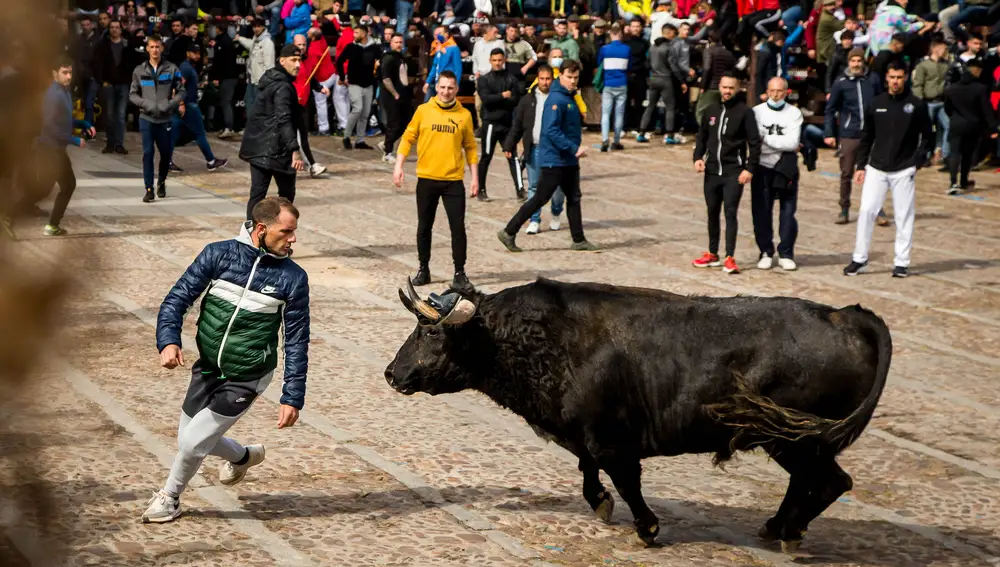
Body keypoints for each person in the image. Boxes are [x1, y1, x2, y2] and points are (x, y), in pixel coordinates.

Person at [143, 196, 310, 524]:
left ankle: (169, 498)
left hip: (248, 374)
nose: (293, 239)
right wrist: (168, 341)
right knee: (189, 439)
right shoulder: (217, 254)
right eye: (286, 231)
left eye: (294, 231)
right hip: (207, 367)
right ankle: (244, 456)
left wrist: (292, 396)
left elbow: (296, 339)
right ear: (261, 229)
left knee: (192, 444)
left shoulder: (293, 278)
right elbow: (177, 299)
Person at [497, 60, 599, 253]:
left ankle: (578, 239)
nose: (573, 81)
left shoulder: (568, 97)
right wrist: (573, 148)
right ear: (560, 76)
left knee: (574, 198)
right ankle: (509, 231)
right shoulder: (556, 100)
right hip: (555, 159)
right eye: (569, 77)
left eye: (575, 77)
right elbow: (551, 130)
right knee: (540, 198)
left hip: (568, 160)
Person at [844, 62, 933, 279]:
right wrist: (860, 166)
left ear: (905, 78)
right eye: (892, 77)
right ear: (886, 78)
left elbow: (929, 136)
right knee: (866, 211)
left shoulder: (916, 105)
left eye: (899, 77)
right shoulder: (877, 103)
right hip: (877, 167)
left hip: (903, 169)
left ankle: (901, 262)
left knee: (904, 216)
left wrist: (917, 161)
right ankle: (860, 258)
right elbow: (867, 137)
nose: (895, 81)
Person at [393, 70, 479, 294]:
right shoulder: (423, 111)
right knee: (424, 226)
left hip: (453, 181)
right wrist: (398, 165)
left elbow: (470, 147)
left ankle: (459, 273)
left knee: (457, 228)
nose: (445, 91)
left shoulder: (464, 115)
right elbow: (408, 137)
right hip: (427, 178)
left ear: (456, 89)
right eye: (442, 87)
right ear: (436, 87)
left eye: (450, 87)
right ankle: (423, 268)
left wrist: (475, 178)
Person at [691, 74, 761, 275]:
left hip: (733, 173)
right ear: (719, 87)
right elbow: (702, 137)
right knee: (712, 212)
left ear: (738, 89)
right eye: (724, 87)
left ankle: (730, 257)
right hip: (712, 172)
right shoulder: (711, 110)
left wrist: (749, 169)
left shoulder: (744, 113)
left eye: (731, 87)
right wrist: (697, 157)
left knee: (730, 213)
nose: (727, 91)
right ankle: (713, 253)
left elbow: (754, 143)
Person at [26, 57, 95, 237]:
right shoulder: (53, 95)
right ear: (54, 73)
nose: (68, 76)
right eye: (64, 73)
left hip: (56, 149)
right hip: (49, 149)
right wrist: (74, 140)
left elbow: (65, 120)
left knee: (53, 186)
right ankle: (11, 214)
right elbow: (50, 126)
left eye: (70, 72)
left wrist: (84, 123)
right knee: (57, 186)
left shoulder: (65, 91)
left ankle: (51, 224)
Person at [239, 44, 306, 220]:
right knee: (286, 198)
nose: (298, 64)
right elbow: (283, 119)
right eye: (293, 60)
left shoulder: (272, 81)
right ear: (282, 61)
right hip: (276, 150)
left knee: (257, 195)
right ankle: (278, 232)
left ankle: (251, 236)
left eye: (299, 60)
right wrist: (294, 150)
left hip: (259, 146)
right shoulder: (282, 86)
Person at [503, 64, 565, 235]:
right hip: (535, 148)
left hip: (555, 150)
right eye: (542, 79)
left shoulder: (560, 98)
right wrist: (510, 144)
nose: (545, 82)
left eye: (548, 79)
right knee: (534, 187)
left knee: (558, 188)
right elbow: (517, 125)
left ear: (553, 79)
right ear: (537, 79)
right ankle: (534, 219)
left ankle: (556, 210)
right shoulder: (527, 100)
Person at [751, 78, 802, 271]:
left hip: (785, 168)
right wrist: (777, 144)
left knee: (788, 212)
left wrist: (767, 141)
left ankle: (786, 252)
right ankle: (765, 250)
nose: (775, 95)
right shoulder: (757, 112)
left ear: (786, 92)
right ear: (767, 91)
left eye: (779, 91)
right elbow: (755, 142)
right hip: (762, 168)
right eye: (772, 91)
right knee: (762, 211)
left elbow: (792, 143)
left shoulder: (794, 113)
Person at [128, 34, 185, 203]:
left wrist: (171, 104)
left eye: (157, 47)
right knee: (148, 153)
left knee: (166, 153)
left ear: (162, 48)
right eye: (151, 47)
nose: (154, 50)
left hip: (165, 119)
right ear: (147, 48)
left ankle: (161, 181)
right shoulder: (139, 70)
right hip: (146, 118)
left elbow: (182, 90)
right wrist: (144, 103)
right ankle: (149, 188)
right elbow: (132, 94)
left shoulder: (171, 69)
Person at [824, 48, 877, 224]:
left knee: (874, 174)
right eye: (853, 61)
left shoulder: (873, 80)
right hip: (849, 133)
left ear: (864, 62)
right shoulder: (841, 82)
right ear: (848, 62)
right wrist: (829, 133)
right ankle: (844, 208)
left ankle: (877, 209)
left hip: (871, 134)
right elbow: (830, 109)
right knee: (847, 172)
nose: (856, 64)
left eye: (859, 60)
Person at [169, 45, 229, 173]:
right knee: (199, 134)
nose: (197, 56)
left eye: (198, 53)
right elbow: (177, 86)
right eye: (194, 53)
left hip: (184, 105)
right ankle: (211, 161)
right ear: (187, 53)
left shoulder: (188, 67)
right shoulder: (185, 67)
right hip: (188, 105)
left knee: (173, 134)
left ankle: (167, 161)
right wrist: (180, 103)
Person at [943, 58, 998, 194]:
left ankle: (953, 182)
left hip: (956, 123)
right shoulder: (980, 89)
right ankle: (963, 181)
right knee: (967, 154)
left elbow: (947, 108)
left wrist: (954, 118)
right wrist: (993, 127)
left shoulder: (951, 89)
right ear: (977, 71)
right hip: (973, 125)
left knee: (954, 152)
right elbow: (986, 110)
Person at [476, 48, 523, 202]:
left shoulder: (511, 79)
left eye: (499, 60)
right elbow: (486, 100)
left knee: (513, 156)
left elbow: (515, 99)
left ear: (504, 60)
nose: (497, 63)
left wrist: (499, 99)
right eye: (494, 60)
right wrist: (503, 96)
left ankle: (520, 189)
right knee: (486, 156)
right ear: (490, 60)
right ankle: (481, 189)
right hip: (490, 124)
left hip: (507, 124)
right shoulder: (484, 79)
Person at [335, 24, 382, 150]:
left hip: (369, 83)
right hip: (354, 82)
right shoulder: (351, 47)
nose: (354, 35)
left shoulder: (375, 48)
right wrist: (341, 77)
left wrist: (376, 74)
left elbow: (381, 62)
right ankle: (346, 136)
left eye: (357, 32)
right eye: (354, 32)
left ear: (365, 33)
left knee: (365, 113)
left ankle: (360, 140)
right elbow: (339, 61)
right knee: (357, 108)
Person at [93, 19, 134, 155]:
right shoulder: (103, 45)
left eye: (117, 27)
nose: (114, 30)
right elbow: (96, 63)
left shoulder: (127, 45)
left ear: (121, 29)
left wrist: (129, 80)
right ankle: (110, 143)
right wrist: (101, 80)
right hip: (109, 83)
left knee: (121, 115)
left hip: (123, 84)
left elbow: (132, 63)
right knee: (109, 115)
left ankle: (119, 144)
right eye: (112, 27)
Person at [598, 23, 630, 152]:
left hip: (608, 83)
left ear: (610, 34)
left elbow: (599, 63)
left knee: (606, 113)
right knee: (619, 114)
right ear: (621, 34)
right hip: (622, 83)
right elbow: (629, 66)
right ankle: (616, 141)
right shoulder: (626, 49)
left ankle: (605, 138)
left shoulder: (604, 49)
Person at [379, 33, 411, 162]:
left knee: (405, 123)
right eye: (396, 42)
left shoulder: (401, 57)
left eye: (400, 42)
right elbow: (386, 78)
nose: (398, 44)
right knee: (394, 122)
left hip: (402, 95)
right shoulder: (388, 58)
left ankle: (387, 143)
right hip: (391, 96)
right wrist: (395, 94)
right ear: (391, 43)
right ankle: (387, 152)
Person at [235, 18, 275, 113]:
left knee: (259, 108)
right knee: (249, 104)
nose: (256, 29)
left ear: (263, 27)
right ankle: (251, 127)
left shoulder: (267, 43)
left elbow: (269, 65)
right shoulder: (255, 40)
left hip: (261, 82)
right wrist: (239, 38)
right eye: (254, 26)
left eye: (258, 26)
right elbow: (249, 44)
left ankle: (258, 127)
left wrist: (266, 83)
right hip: (252, 80)